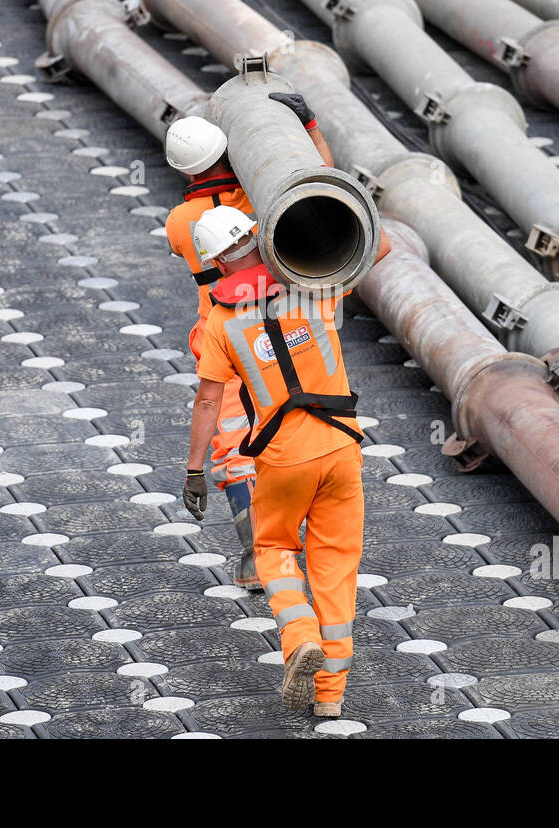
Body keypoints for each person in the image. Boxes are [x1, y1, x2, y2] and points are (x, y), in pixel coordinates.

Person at [181, 205, 389, 718]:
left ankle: (298, 638)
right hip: (341, 449)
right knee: (336, 567)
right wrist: (310, 213)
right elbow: (379, 245)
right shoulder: (314, 281)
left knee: (272, 545)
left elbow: (209, 402)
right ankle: (329, 699)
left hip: (282, 458)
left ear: (217, 263)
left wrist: (193, 470)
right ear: (257, 236)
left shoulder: (220, 321)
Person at [163, 96, 331, 591]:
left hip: (219, 332)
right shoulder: (258, 198)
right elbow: (322, 186)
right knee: (300, 421)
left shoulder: (180, 221)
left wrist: (194, 470)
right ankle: (313, 539)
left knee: (233, 438)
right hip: (284, 323)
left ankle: (257, 555)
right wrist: (308, 128)